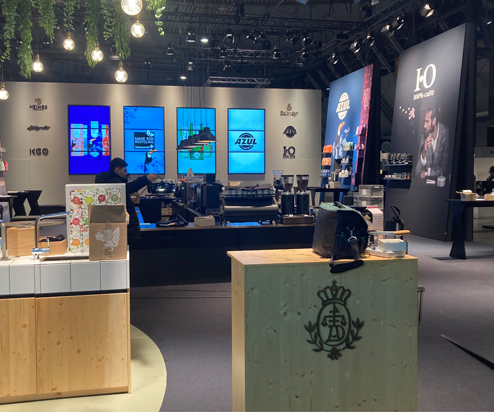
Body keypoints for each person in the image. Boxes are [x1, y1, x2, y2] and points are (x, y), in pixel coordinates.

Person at [95, 157, 157, 241]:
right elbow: (128, 188)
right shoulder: (114, 182)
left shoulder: (105, 180)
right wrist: (146, 179)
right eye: (124, 170)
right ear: (117, 170)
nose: (126, 173)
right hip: (126, 229)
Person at [414, 107, 450, 179]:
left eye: (427, 122)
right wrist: (424, 152)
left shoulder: (445, 133)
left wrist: (428, 172)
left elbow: (446, 167)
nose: (424, 126)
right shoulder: (424, 136)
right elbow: (417, 172)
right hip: (426, 183)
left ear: (434, 120)